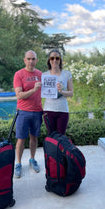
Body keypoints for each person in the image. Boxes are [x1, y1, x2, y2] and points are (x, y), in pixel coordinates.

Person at [13, 50, 43, 178]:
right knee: (21, 139)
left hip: (37, 111)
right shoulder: (19, 74)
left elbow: (48, 91)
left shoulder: (41, 74)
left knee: (34, 137)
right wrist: (34, 89)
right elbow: (19, 95)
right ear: (24, 60)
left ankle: (32, 159)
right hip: (23, 112)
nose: (31, 61)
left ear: (36, 60)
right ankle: (18, 163)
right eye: (28, 59)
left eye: (33, 59)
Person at [43, 49, 73, 135]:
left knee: (61, 137)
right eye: (52, 58)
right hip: (48, 110)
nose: (55, 60)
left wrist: (62, 91)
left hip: (62, 110)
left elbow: (71, 93)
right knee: (51, 137)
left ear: (60, 60)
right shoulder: (44, 75)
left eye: (57, 58)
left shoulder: (67, 74)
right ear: (49, 60)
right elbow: (42, 92)